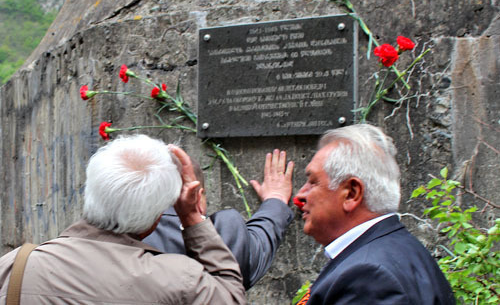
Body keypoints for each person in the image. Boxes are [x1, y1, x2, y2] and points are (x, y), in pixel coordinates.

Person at [0, 135, 246, 304]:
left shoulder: (14, 266)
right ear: (155, 218)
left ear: (91, 192)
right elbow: (232, 297)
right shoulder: (180, 279)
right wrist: (192, 217)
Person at [294, 124, 455, 305]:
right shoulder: (395, 249)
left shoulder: (369, 277)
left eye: (313, 182)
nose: (299, 196)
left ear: (351, 193)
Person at [144, 148, 295, 289]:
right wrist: (276, 199)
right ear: (197, 197)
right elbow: (259, 243)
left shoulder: (124, 245)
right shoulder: (224, 232)